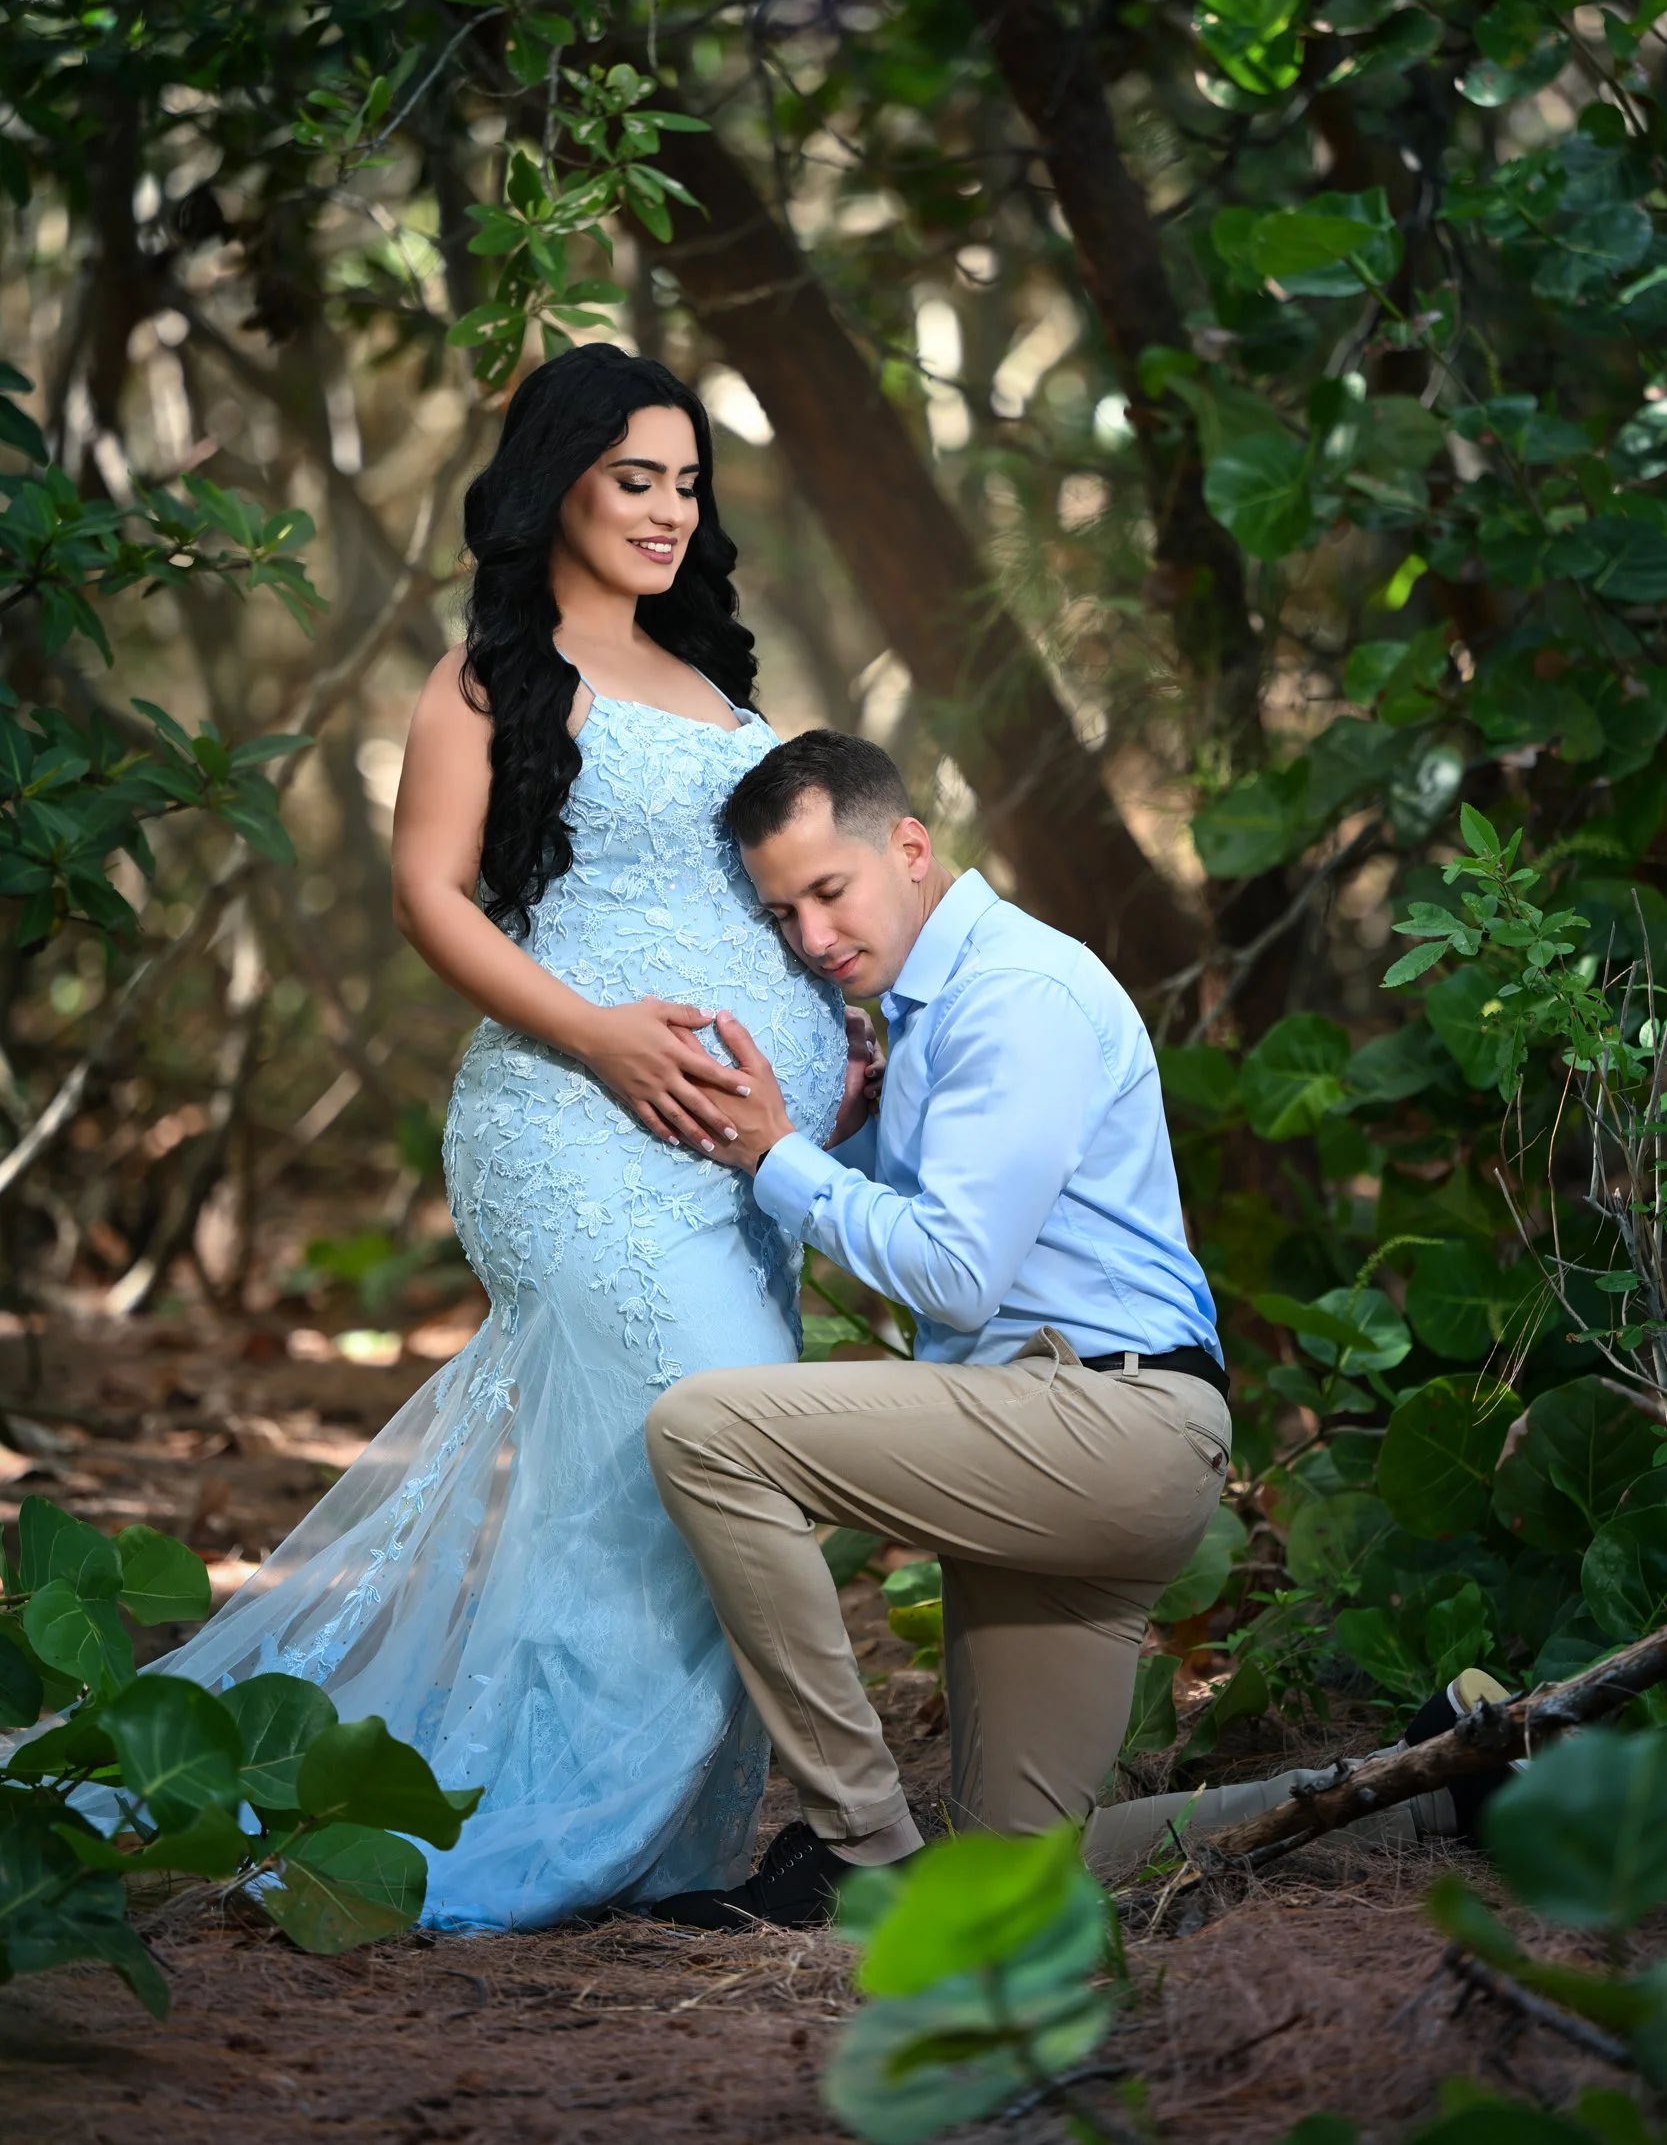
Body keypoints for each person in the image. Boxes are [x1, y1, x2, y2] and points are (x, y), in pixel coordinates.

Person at [140, 345, 860, 1929]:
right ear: (556, 487)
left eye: (687, 483)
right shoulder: (486, 681)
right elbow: (424, 899)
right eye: (635, 480)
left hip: (733, 1168)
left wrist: (838, 1044)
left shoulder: (725, 692)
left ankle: (644, 1837)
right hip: (575, 1127)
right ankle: (538, 1836)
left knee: (654, 1490)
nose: (671, 511)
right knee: (705, 1451)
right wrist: (601, 1037)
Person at [643, 729, 1233, 1930]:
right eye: (782, 913)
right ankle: (1442, 1779)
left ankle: (857, 1843)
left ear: (909, 847)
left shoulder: (1016, 993)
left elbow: (957, 1274)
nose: (810, 938)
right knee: (1016, 1867)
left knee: (704, 1431)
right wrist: (849, 1141)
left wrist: (778, 1156)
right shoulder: (929, 1006)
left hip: (1102, 1420)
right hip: (1072, 1438)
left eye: (828, 891)